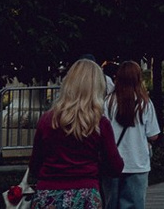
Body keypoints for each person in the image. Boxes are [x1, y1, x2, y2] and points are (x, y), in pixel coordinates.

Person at [26, 60, 122, 209]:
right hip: (85, 194)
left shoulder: (47, 120)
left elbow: (35, 165)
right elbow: (115, 166)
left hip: (48, 194)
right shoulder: (99, 124)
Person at [103, 62, 157, 209]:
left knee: (110, 204)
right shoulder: (144, 103)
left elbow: (101, 131)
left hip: (111, 162)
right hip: (137, 162)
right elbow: (153, 136)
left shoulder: (108, 102)